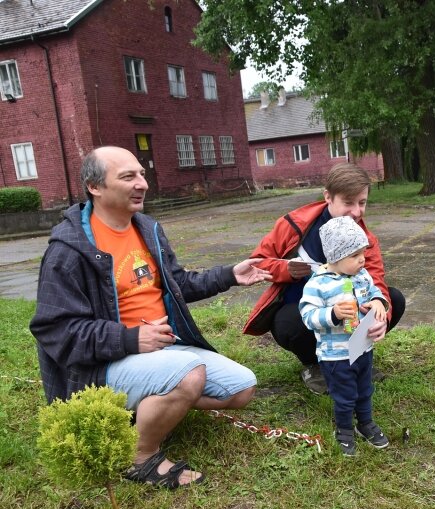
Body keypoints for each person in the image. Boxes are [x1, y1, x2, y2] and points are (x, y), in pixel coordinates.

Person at [30, 146, 272, 489]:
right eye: (128, 177)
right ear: (95, 187)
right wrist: (130, 339)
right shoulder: (68, 250)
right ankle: (139, 457)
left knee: (242, 387)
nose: (142, 183)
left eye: (141, 174)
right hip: (102, 364)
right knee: (191, 376)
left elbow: (179, 283)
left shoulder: (146, 229)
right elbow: (55, 331)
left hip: (159, 352)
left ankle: (150, 405)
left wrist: (230, 275)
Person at [245, 163, 405, 394]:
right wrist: (286, 270)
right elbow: (257, 261)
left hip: (349, 314)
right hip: (307, 313)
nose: (357, 212)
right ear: (328, 197)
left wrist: (382, 311)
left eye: (362, 203)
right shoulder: (293, 224)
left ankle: (354, 357)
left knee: (394, 299)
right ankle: (315, 365)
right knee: (286, 322)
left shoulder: (366, 238)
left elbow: (376, 279)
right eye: (348, 203)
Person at [299, 216, 390, 456]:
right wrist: (333, 313)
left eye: (363, 253)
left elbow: (375, 292)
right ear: (334, 257)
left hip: (363, 347)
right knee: (345, 395)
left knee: (364, 388)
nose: (362, 259)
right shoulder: (318, 284)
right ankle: (344, 428)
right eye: (354, 255)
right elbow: (308, 316)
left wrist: (379, 303)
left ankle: (365, 423)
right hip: (335, 355)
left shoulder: (361, 276)